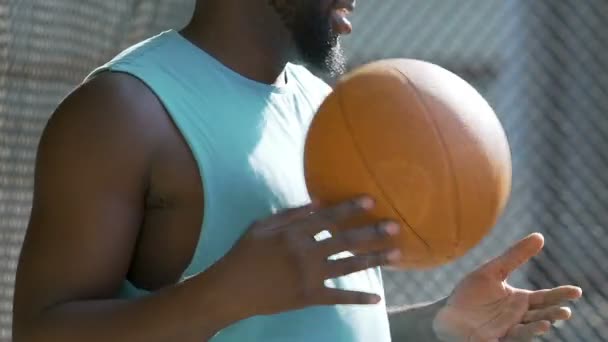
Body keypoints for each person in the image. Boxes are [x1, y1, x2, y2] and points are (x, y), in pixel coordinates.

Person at [13, 0, 582, 341]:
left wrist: (437, 324)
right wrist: (218, 296)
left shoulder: (328, 108)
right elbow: (42, 335)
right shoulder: (121, 112)